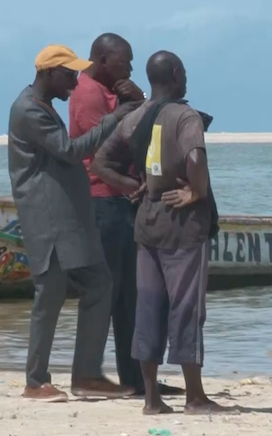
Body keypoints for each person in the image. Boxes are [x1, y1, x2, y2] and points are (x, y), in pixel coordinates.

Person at [93, 51, 231, 415]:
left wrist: (131, 185)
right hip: (182, 224)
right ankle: (195, 396)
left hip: (147, 219)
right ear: (175, 74)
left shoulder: (136, 117)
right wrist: (196, 192)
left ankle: (152, 398)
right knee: (186, 308)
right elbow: (195, 159)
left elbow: (101, 162)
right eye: (183, 71)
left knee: (149, 307)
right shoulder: (185, 116)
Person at [7, 44, 142, 402]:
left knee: (99, 284)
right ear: (49, 73)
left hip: (67, 219)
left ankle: (86, 375)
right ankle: (36, 381)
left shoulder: (43, 105)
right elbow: (70, 150)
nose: (74, 82)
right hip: (47, 220)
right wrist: (115, 118)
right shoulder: (28, 110)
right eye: (69, 75)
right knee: (49, 295)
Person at [69, 34, 183, 397]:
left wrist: (138, 98)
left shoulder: (110, 92)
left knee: (130, 295)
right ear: (103, 61)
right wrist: (134, 185)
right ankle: (92, 374)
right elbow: (104, 151)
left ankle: (135, 375)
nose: (130, 69)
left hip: (119, 201)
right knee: (110, 291)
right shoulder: (88, 94)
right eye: (125, 62)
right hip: (103, 202)